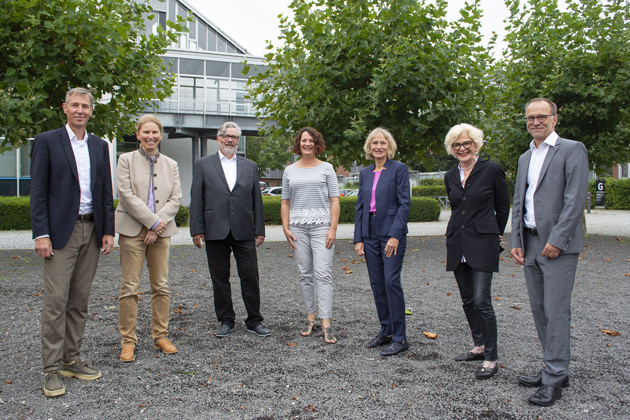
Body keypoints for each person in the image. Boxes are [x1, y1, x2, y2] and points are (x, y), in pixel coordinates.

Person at [30, 87, 115, 397]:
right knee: (55, 302)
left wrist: (108, 230)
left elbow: (105, 192)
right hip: (59, 234)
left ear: (91, 111)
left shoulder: (99, 145)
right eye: (75, 105)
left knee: (79, 300)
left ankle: (71, 359)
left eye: (85, 106)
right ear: (64, 108)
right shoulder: (47, 141)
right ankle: (51, 370)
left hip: (91, 231)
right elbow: (38, 191)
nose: (80, 110)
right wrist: (41, 234)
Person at [511, 98, 589, 406]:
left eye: (542, 116)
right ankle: (554, 367)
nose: (535, 121)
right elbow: (520, 201)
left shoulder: (572, 150)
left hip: (557, 246)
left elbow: (575, 199)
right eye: (530, 117)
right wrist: (516, 239)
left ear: (555, 119)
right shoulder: (525, 157)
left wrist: (557, 239)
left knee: (556, 312)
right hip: (529, 244)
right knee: (539, 309)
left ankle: (554, 376)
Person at [189, 122, 271, 338]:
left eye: (234, 137)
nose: (230, 140)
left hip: (244, 230)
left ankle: (254, 320)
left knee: (250, 276)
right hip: (215, 230)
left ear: (238, 140)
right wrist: (196, 229)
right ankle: (226, 320)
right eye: (226, 136)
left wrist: (259, 229)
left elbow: (257, 200)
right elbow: (196, 198)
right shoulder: (203, 164)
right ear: (218, 138)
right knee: (220, 278)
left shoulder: (249, 165)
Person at [443, 123, 510, 380]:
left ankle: (491, 358)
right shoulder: (450, 175)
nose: (462, 148)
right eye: (457, 145)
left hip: (483, 243)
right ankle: (479, 346)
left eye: (466, 143)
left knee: (482, 301)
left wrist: (496, 234)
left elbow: (503, 206)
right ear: (452, 148)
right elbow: (455, 207)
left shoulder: (491, 170)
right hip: (457, 242)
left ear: (476, 144)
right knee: (468, 300)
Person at [115, 115, 182, 362]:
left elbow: (175, 199)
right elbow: (125, 194)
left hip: (161, 232)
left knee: (161, 286)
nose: (150, 136)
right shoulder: (125, 160)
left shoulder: (171, 164)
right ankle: (128, 341)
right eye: (146, 132)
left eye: (155, 132)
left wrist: (158, 225)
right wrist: (151, 222)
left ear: (160, 135)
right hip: (132, 230)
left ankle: (160, 335)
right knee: (130, 287)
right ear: (138, 134)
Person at [354, 127, 410, 356]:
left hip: (390, 234)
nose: (378, 146)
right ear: (369, 147)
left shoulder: (399, 169)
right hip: (369, 234)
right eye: (374, 143)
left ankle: (400, 337)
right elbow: (360, 207)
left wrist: (396, 235)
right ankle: (386, 331)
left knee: (390, 282)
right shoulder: (365, 173)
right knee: (377, 284)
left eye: (383, 143)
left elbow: (404, 204)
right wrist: (358, 238)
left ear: (389, 146)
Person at [281, 127, 340, 344]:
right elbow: (285, 202)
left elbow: (334, 200)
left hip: (321, 227)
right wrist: (285, 228)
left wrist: (333, 228)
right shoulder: (290, 171)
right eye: (303, 140)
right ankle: (310, 318)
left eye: (311, 140)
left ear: (317, 144)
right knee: (305, 274)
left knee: (323, 273)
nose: (307, 144)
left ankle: (326, 322)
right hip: (297, 229)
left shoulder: (327, 168)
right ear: (298, 143)